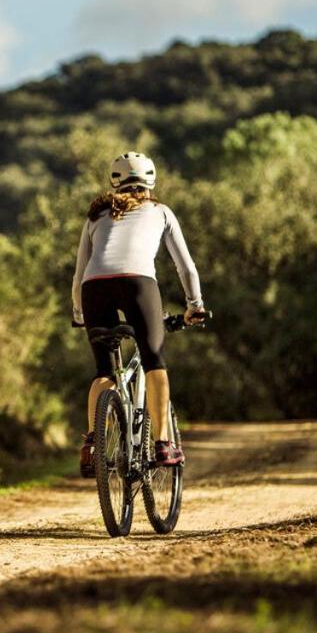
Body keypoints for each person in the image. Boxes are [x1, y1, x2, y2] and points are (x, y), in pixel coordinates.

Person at [71, 152, 207, 478]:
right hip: (137, 282)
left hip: (94, 289)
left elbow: (79, 275)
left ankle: (93, 445)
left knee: (103, 369)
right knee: (153, 360)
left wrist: (78, 313)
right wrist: (195, 305)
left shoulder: (95, 216)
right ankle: (162, 443)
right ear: (152, 181)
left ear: (114, 182)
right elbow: (185, 267)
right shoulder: (160, 211)